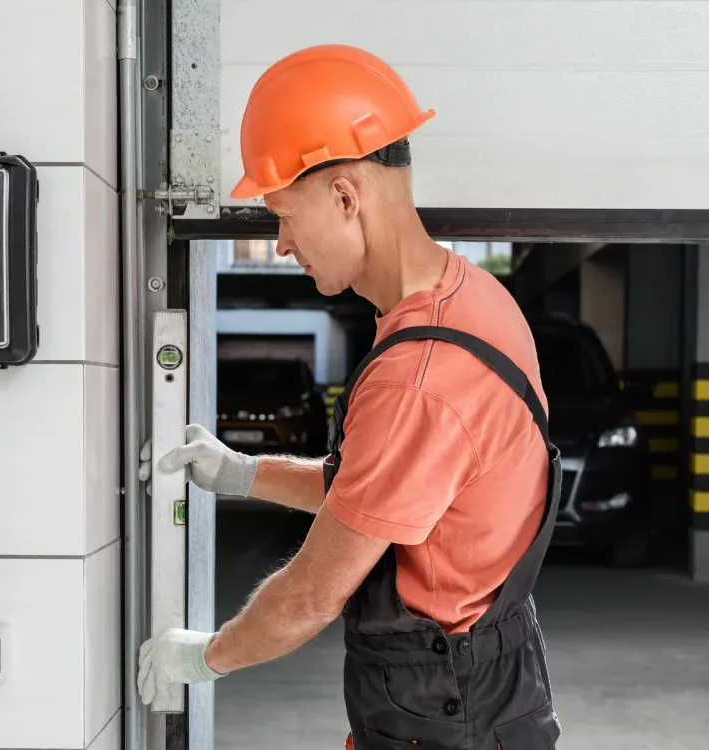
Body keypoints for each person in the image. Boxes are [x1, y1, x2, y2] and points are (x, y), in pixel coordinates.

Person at [136, 43, 563, 749]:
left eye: (284, 215)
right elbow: (383, 495)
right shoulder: (474, 300)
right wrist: (241, 472)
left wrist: (204, 657)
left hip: (446, 713)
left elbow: (310, 594)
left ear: (344, 197)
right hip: (486, 689)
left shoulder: (418, 377)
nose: (280, 244)